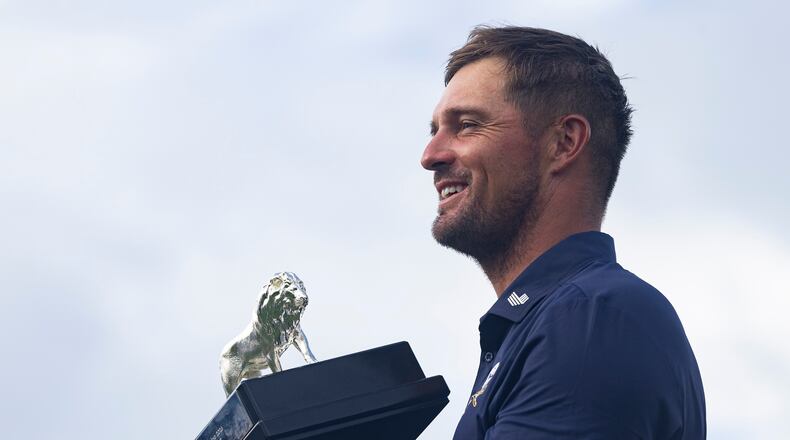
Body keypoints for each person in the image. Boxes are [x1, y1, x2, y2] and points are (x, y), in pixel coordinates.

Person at [421, 26, 705, 439]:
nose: (430, 156)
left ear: (564, 142)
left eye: (466, 125)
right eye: (434, 131)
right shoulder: (555, 319)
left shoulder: (591, 318)